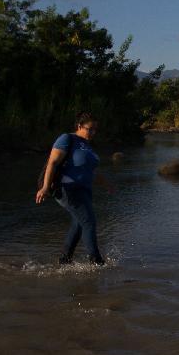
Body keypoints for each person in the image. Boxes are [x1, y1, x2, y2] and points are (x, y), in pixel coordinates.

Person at [35, 112, 111, 265]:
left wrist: (107, 185)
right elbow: (53, 163)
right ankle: (97, 262)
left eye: (95, 130)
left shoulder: (88, 146)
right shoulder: (67, 139)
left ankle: (64, 260)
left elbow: (91, 171)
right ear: (79, 126)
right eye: (90, 129)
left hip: (84, 191)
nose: (93, 133)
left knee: (79, 223)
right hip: (67, 189)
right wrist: (45, 187)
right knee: (89, 222)